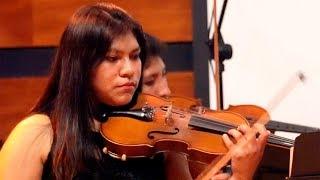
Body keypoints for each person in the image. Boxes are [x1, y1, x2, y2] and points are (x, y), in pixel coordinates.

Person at [0, 2, 269, 180]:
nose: (129, 70)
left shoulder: (158, 138)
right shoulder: (38, 133)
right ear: (80, 65)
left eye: (135, 55)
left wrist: (240, 176)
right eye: (112, 58)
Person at [142, 34, 270, 180]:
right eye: (150, 82)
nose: (166, 91)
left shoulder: (170, 147)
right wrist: (241, 176)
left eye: (164, 75)